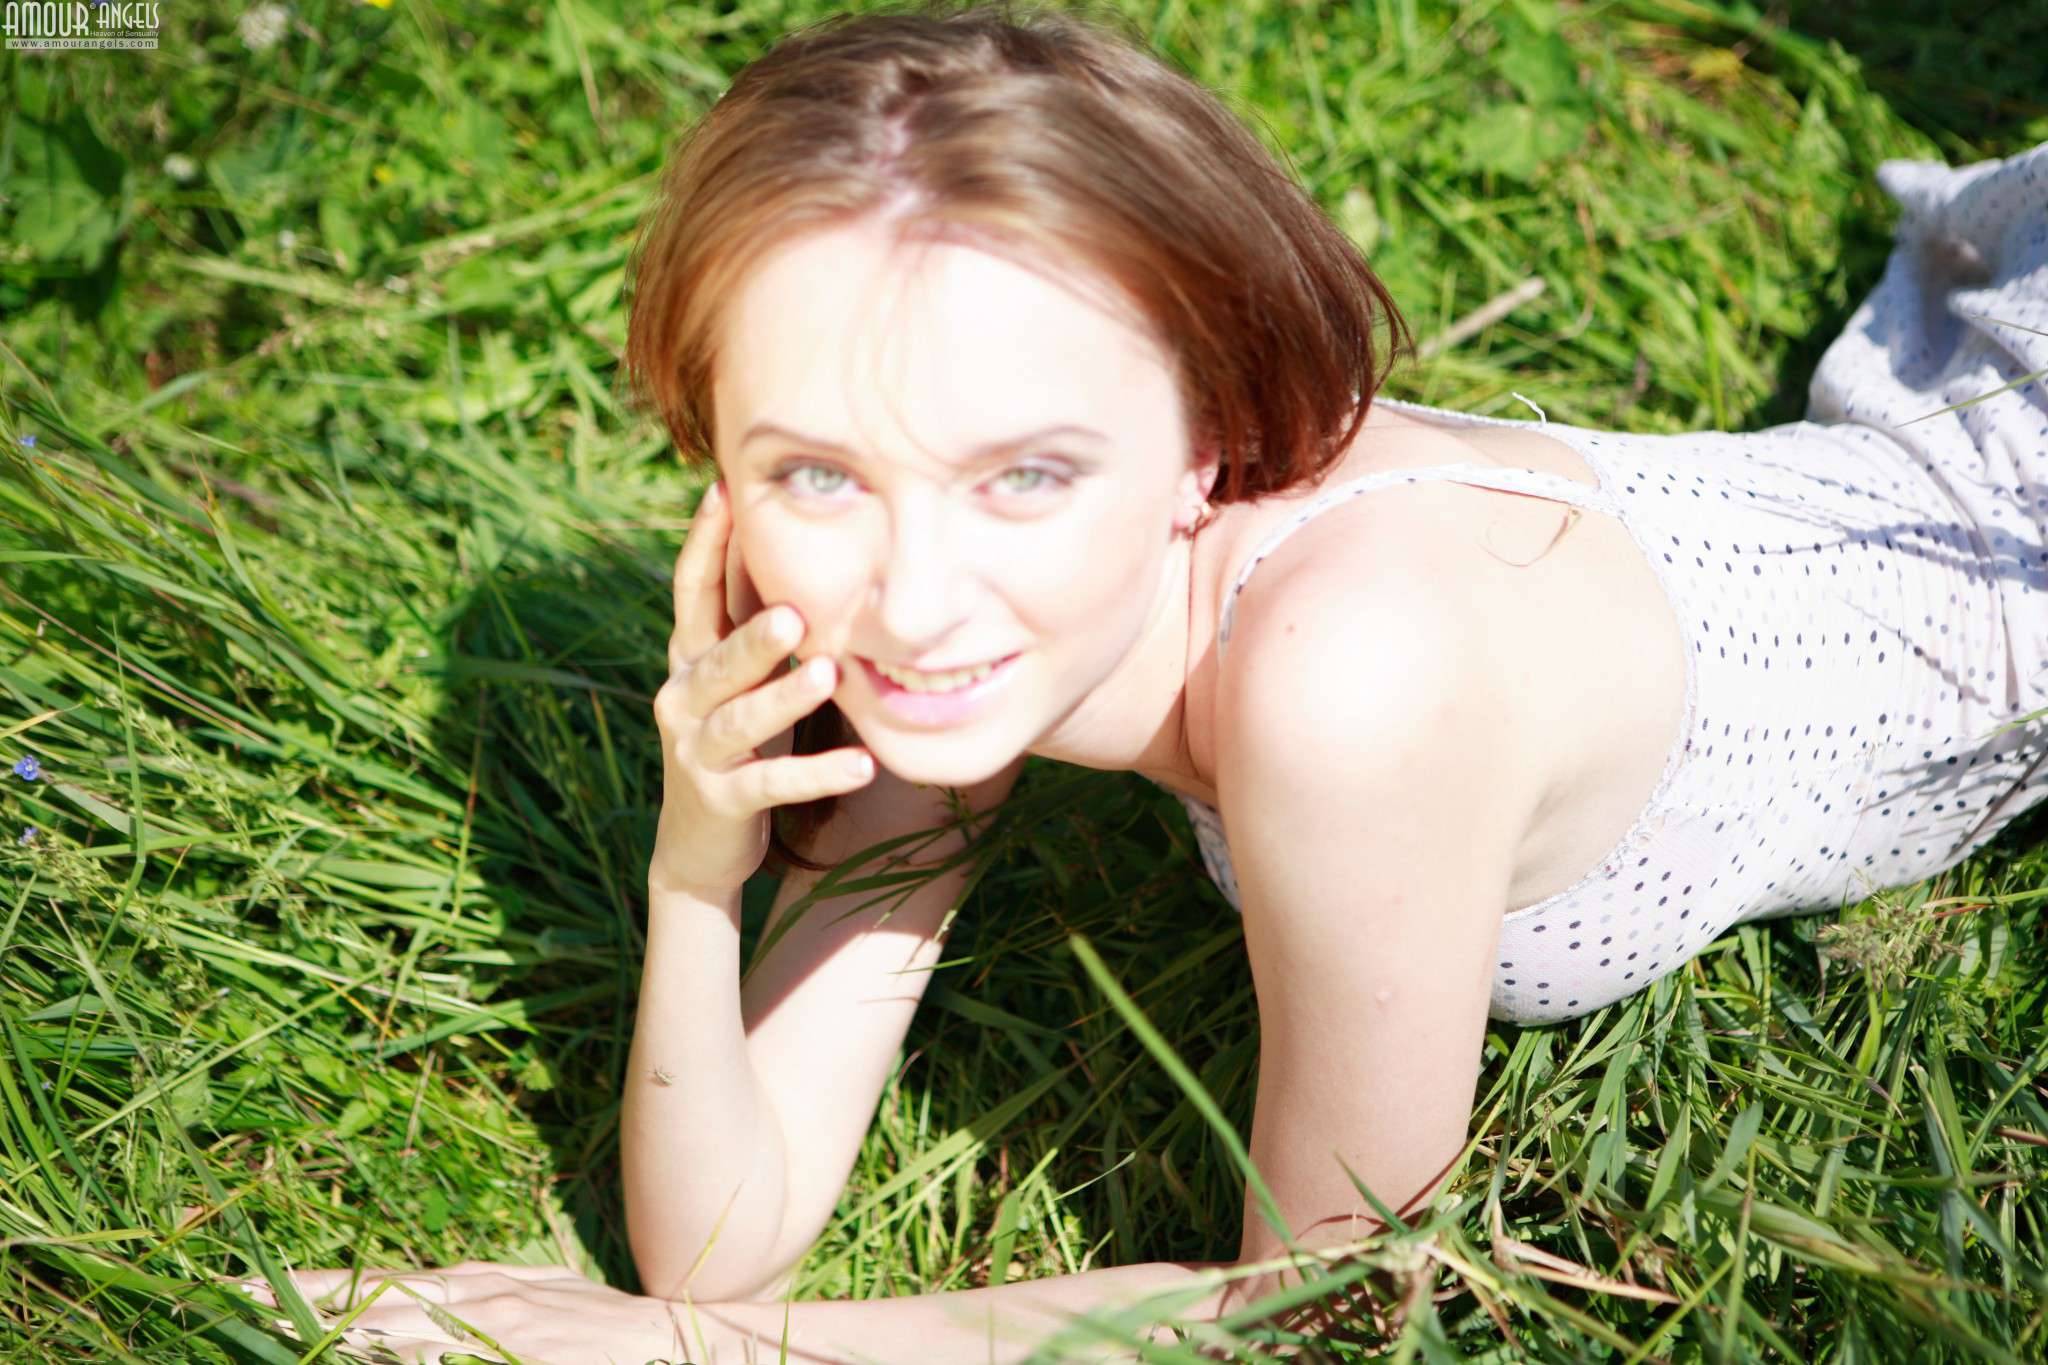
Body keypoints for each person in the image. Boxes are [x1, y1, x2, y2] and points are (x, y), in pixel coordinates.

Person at [243, 1, 2048, 1360]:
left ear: (1205, 439)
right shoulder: (972, 630)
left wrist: (690, 1355)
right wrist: (698, 867)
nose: (913, 599)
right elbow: (726, 1233)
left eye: (1027, 472)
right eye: (817, 473)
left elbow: (1336, 1294)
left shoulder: (1354, 675)